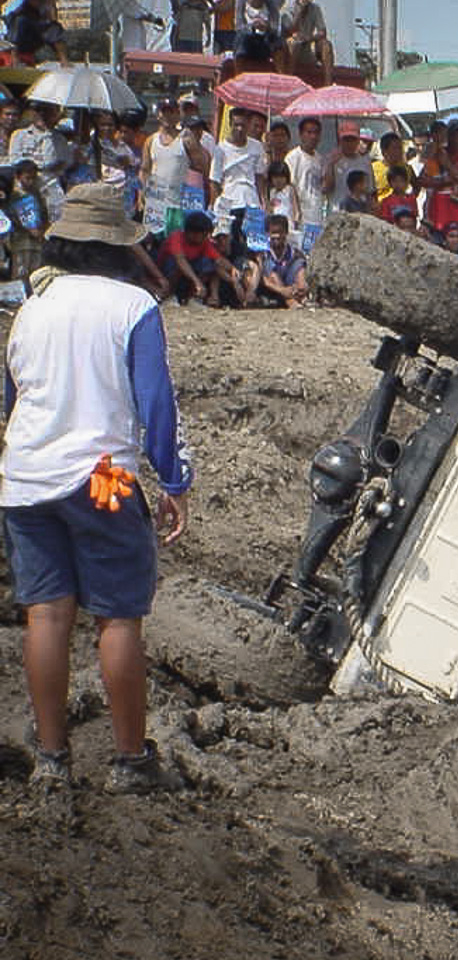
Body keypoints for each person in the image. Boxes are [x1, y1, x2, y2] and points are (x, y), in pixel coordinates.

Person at [3, 183, 191, 791]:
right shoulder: (133, 307)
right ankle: (130, 760)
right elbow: (155, 403)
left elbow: (11, 398)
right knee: (118, 619)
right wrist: (175, 478)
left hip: (27, 477)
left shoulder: (31, 308)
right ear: (118, 246)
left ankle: (53, 759)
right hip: (103, 476)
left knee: (47, 616)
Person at [139, 99, 207, 228]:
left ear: (178, 114)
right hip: (155, 204)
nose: (167, 116)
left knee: (174, 242)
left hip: (177, 204)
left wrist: (195, 144)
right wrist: (143, 191)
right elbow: (144, 169)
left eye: (171, 112)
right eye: (164, 112)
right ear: (158, 114)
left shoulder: (185, 139)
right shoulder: (151, 140)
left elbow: (202, 165)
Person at [208, 107, 266, 247]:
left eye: (243, 125)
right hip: (229, 203)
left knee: (252, 246)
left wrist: (264, 202)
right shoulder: (220, 149)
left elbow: (259, 178)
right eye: (236, 125)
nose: (239, 129)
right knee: (230, 246)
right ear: (230, 125)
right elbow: (214, 181)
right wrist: (215, 206)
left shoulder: (257, 147)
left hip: (251, 202)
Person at [157, 210, 240, 305]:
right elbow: (181, 261)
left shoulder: (203, 242)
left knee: (208, 263)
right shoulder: (176, 237)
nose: (206, 237)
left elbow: (218, 259)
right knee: (174, 263)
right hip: (166, 271)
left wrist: (232, 268)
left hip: (188, 272)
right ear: (192, 233)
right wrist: (197, 282)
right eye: (204, 234)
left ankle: (192, 297)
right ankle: (169, 295)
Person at [9, 101, 71, 220]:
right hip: (25, 184)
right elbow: (15, 161)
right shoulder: (19, 135)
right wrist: (41, 167)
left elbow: (63, 164)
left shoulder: (59, 139)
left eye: (47, 112)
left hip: (50, 184)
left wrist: (47, 135)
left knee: (58, 212)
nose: (42, 115)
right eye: (38, 111)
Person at [418, 119, 458, 237]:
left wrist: (448, 165)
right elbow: (422, 180)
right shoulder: (437, 153)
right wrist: (443, 181)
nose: (457, 139)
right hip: (436, 216)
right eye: (453, 135)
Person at [243, 213, 307, 306]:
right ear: (268, 233)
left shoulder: (294, 253)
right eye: (273, 232)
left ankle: (301, 297)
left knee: (300, 266)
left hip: (290, 284)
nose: (277, 236)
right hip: (272, 288)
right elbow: (263, 279)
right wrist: (283, 290)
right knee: (271, 271)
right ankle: (289, 301)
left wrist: (299, 287)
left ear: (286, 233)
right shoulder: (263, 253)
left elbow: (300, 269)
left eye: (280, 232)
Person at [321, 120, 372, 215]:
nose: (350, 143)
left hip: (360, 214)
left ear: (358, 140)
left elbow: (370, 191)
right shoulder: (329, 159)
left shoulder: (365, 161)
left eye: (353, 139)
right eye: (346, 139)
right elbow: (326, 188)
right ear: (340, 140)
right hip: (337, 213)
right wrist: (331, 165)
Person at [8, 159, 47, 281]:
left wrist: (43, 229)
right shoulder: (13, 195)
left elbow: (43, 213)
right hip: (20, 241)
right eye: (27, 178)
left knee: (36, 274)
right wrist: (28, 230)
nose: (30, 182)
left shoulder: (36, 193)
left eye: (33, 178)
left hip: (37, 241)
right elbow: (11, 218)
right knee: (20, 273)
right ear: (18, 177)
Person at [279, 0, 333, 86]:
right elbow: (289, 31)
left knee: (326, 45)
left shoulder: (315, 8)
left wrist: (309, 38)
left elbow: (322, 32)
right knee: (293, 43)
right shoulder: (287, 8)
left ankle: (328, 83)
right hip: (291, 49)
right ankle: (288, 81)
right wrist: (300, 12)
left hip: (307, 46)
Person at [285, 115, 324, 229]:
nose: (313, 136)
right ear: (301, 134)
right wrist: (296, 212)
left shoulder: (319, 158)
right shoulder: (293, 157)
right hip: (301, 214)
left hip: (317, 212)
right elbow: (290, 186)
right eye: (309, 132)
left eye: (316, 133)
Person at [4, 0, 69, 65]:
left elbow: (53, 20)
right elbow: (10, 27)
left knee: (54, 28)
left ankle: (63, 59)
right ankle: (15, 60)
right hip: (17, 39)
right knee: (18, 22)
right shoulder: (17, 7)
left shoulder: (45, 5)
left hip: (35, 36)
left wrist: (50, 8)